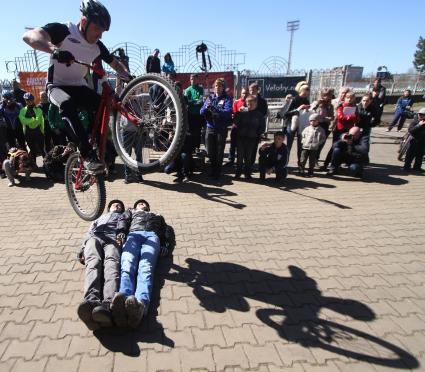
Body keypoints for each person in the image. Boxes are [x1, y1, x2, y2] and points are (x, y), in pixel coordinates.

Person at [23, 0, 132, 172]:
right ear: (83, 22)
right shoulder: (64, 31)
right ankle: (86, 153)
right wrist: (54, 50)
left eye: (103, 32)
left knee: (106, 104)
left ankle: (100, 143)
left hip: (79, 87)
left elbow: (116, 65)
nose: (100, 36)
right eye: (97, 30)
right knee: (66, 104)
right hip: (56, 87)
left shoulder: (97, 46)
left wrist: (129, 77)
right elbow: (30, 36)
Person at [111, 199, 173, 328]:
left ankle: (140, 306)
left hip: (152, 236)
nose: (142, 204)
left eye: (144, 203)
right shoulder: (131, 212)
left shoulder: (158, 216)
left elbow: (165, 230)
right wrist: (121, 232)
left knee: (145, 269)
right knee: (127, 265)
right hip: (133, 235)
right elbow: (123, 220)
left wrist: (165, 244)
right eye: (139, 203)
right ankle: (124, 301)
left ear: (148, 207)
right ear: (135, 206)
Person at [77, 199, 125, 329]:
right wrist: (82, 248)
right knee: (93, 264)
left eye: (119, 205)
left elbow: (128, 230)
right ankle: (91, 302)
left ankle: (108, 305)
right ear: (109, 208)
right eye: (114, 204)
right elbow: (90, 231)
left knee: (112, 265)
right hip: (95, 238)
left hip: (113, 239)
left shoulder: (124, 217)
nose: (117, 205)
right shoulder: (100, 217)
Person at [200, 78, 233, 179]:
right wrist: (206, 107)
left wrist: (215, 109)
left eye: (219, 86)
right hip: (210, 128)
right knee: (210, 151)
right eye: (216, 86)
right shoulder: (210, 98)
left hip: (221, 129)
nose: (217, 88)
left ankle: (217, 172)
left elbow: (227, 112)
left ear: (223, 88)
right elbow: (201, 112)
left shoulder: (227, 99)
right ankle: (213, 169)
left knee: (219, 152)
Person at [233, 95, 266, 179]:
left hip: (252, 138)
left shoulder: (259, 115)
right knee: (239, 157)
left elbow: (262, 127)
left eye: (252, 103)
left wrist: (257, 134)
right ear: (246, 103)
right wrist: (238, 113)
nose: (250, 105)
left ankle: (247, 173)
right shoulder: (242, 112)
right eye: (248, 103)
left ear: (256, 104)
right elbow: (235, 123)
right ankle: (238, 173)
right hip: (241, 137)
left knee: (249, 157)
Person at [19, 92, 45, 166]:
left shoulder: (38, 109)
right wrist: (33, 119)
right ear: (25, 100)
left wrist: (29, 120)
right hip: (28, 133)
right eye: (27, 100)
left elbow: (37, 121)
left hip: (38, 131)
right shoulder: (22, 110)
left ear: (33, 100)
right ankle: (34, 165)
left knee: (41, 149)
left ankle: (46, 164)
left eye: (30, 99)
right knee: (32, 150)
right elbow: (22, 120)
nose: (29, 101)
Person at [310, 89, 334, 162]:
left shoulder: (330, 105)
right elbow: (311, 111)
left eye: (328, 95)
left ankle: (316, 159)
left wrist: (329, 118)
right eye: (324, 95)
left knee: (321, 143)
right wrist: (317, 104)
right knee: (314, 143)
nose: (326, 97)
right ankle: (312, 159)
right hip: (316, 125)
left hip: (325, 126)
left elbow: (331, 116)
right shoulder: (316, 103)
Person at [248, 82, 268, 166]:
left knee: (254, 147)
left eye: (253, 90)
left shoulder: (262, 101)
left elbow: (263, 113)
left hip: (256, 128)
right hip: (247, 126)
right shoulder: (247, 99)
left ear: (257, 90)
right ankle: (245, 164)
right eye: (250, 90)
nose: (251, 91)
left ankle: (251, 164)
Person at [184, 74, 204, 152]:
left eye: (194, 79)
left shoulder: (200, 89)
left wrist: (193, 102)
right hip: (190, 114)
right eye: (192, 79)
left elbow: (201, 101)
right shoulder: (188, 90)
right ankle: (191, 148)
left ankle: (197, 147)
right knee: (191, 132)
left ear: (197, 80)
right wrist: (195, 101)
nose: (193, 80)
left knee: (198, 132)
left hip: (198, 114)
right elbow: (187, 101)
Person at [228, 87, 248, 165]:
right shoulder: (236, 102)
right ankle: (231, 160)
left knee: (243, 146)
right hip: (236, 126)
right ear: (240, 93)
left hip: (245, 128)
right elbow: (234, 112)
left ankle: (241, 162)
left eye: (246, 93)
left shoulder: (250, 102)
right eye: (243, 93)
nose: (245, 95)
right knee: (233, 144)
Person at [403, 108, 425, 172]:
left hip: (423, 140)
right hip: (414, 140)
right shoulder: (415, 121)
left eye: (423, 115)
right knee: (410, 154)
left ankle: (417, 167)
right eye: (420, 114)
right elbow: (411, 130)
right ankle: (406, 166)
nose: (421, 116)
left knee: (420, 154)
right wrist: (418, 125)